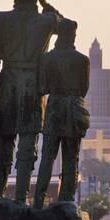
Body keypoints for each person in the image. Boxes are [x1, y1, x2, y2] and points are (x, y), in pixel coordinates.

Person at [0, 0, 63, 204]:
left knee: (4, 142)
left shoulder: (1, 20)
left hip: (8, 83)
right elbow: (67, 26)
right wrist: (46, 4)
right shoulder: (47, 20)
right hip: (33, 86)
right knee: (28, 145)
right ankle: (20, 199)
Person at [33, 19, 90, 209]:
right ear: (72, 35)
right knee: (71, 158)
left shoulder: (47, 59)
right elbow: (83, 89)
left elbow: (42, 87)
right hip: (74, 108)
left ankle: (39, 202)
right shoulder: (82, 60)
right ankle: (66, 201)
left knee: (47, 157)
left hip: (55, 108)